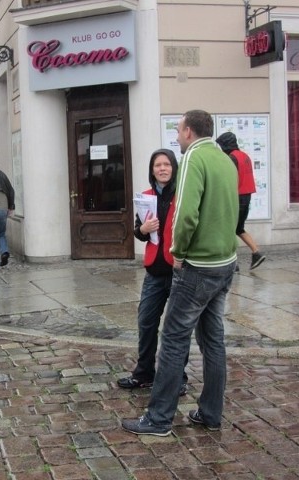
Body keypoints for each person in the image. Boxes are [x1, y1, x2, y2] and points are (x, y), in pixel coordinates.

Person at [122, 110, 238, 436]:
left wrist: (179, 254)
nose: (176, 137)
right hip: (224, 263)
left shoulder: (192, 159)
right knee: (213, 341)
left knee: (173, 339)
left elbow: (185, 216)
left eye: (178, 130)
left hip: (197, 266)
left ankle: (158, 419)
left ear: (188, 131)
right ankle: (211, 413)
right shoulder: (226, 160)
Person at [116, 149, 188, 396]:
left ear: (174, 168)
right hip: (155, 272)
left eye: (167, 164)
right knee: (146, 322)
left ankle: (178, 378)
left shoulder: (184, 194)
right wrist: (143, 229)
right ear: (152, 170)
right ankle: (144, 373)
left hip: (179, 270)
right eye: (158, 165)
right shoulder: (146, 197)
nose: (162, 168)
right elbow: (138, 231)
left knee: (176, 328)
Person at [216, 132, 266, 270]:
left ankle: (233, 262)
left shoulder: (231, 158)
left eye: (221, 145)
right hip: (246, 196)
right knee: (238, 228)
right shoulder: (245, 156)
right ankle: (256, 252)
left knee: (228, 229)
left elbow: (229, 179)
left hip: (236, 197)